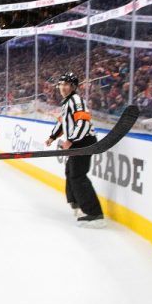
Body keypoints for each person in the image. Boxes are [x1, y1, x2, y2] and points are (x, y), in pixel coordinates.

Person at [45, 72, 105, 228]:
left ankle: (95, 214)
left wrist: (71, 140)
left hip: (83, 142)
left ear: (73, 87)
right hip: (77, 142)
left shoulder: (76, 100)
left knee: (78, 175)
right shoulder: (66, 102)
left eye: (66, 85)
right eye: (61, 84)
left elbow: (83, 123)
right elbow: (63, 123)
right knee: (71, 172)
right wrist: (53, 136)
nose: (63, 87)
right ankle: (76, 202)